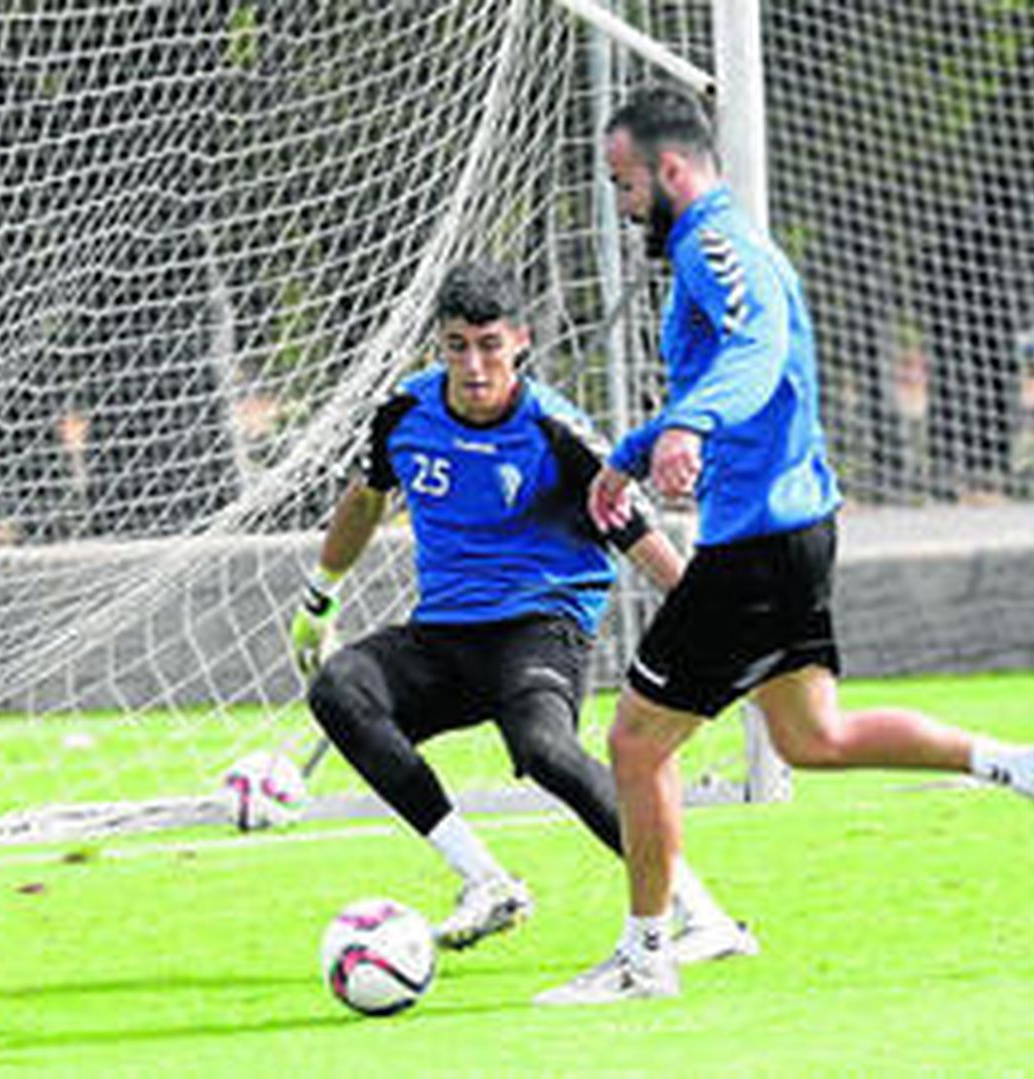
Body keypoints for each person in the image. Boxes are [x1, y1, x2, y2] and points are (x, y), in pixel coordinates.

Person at [536, 85, 1034, 1006]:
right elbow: (738, 371)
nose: (623, 203)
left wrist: (686, 427)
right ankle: (1029, 770)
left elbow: (756, 353)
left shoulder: (716, 246)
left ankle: (648, 955)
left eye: (626, 183)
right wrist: (637, 452)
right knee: (813, 736)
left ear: (671, 169)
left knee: (635, 741)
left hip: (757, 543)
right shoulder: (717, 246)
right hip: (794, 531)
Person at [290, 261, 756, 962]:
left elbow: (636, 533)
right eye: (457, 346)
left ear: (520, 342)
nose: (474, 365)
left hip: (542, 625)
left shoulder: (557, 430)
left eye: (489, 345)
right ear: (439, 344)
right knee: (339, 689)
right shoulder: (404, 415)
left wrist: (710, 619)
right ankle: (485, 880)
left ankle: (703, 915)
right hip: (444, 633)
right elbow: (364, 499)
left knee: (545, 751)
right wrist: (320, 597)